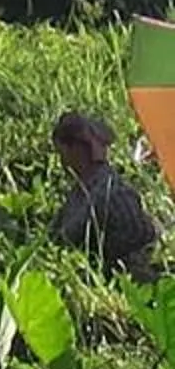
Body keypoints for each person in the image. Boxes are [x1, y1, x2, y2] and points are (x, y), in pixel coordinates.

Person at [53, 110, 161, 277]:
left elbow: (138, 236)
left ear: (78, 149)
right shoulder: (80, 191)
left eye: (63, 153)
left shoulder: (112, 190)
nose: (62, 161)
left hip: (126, 275)